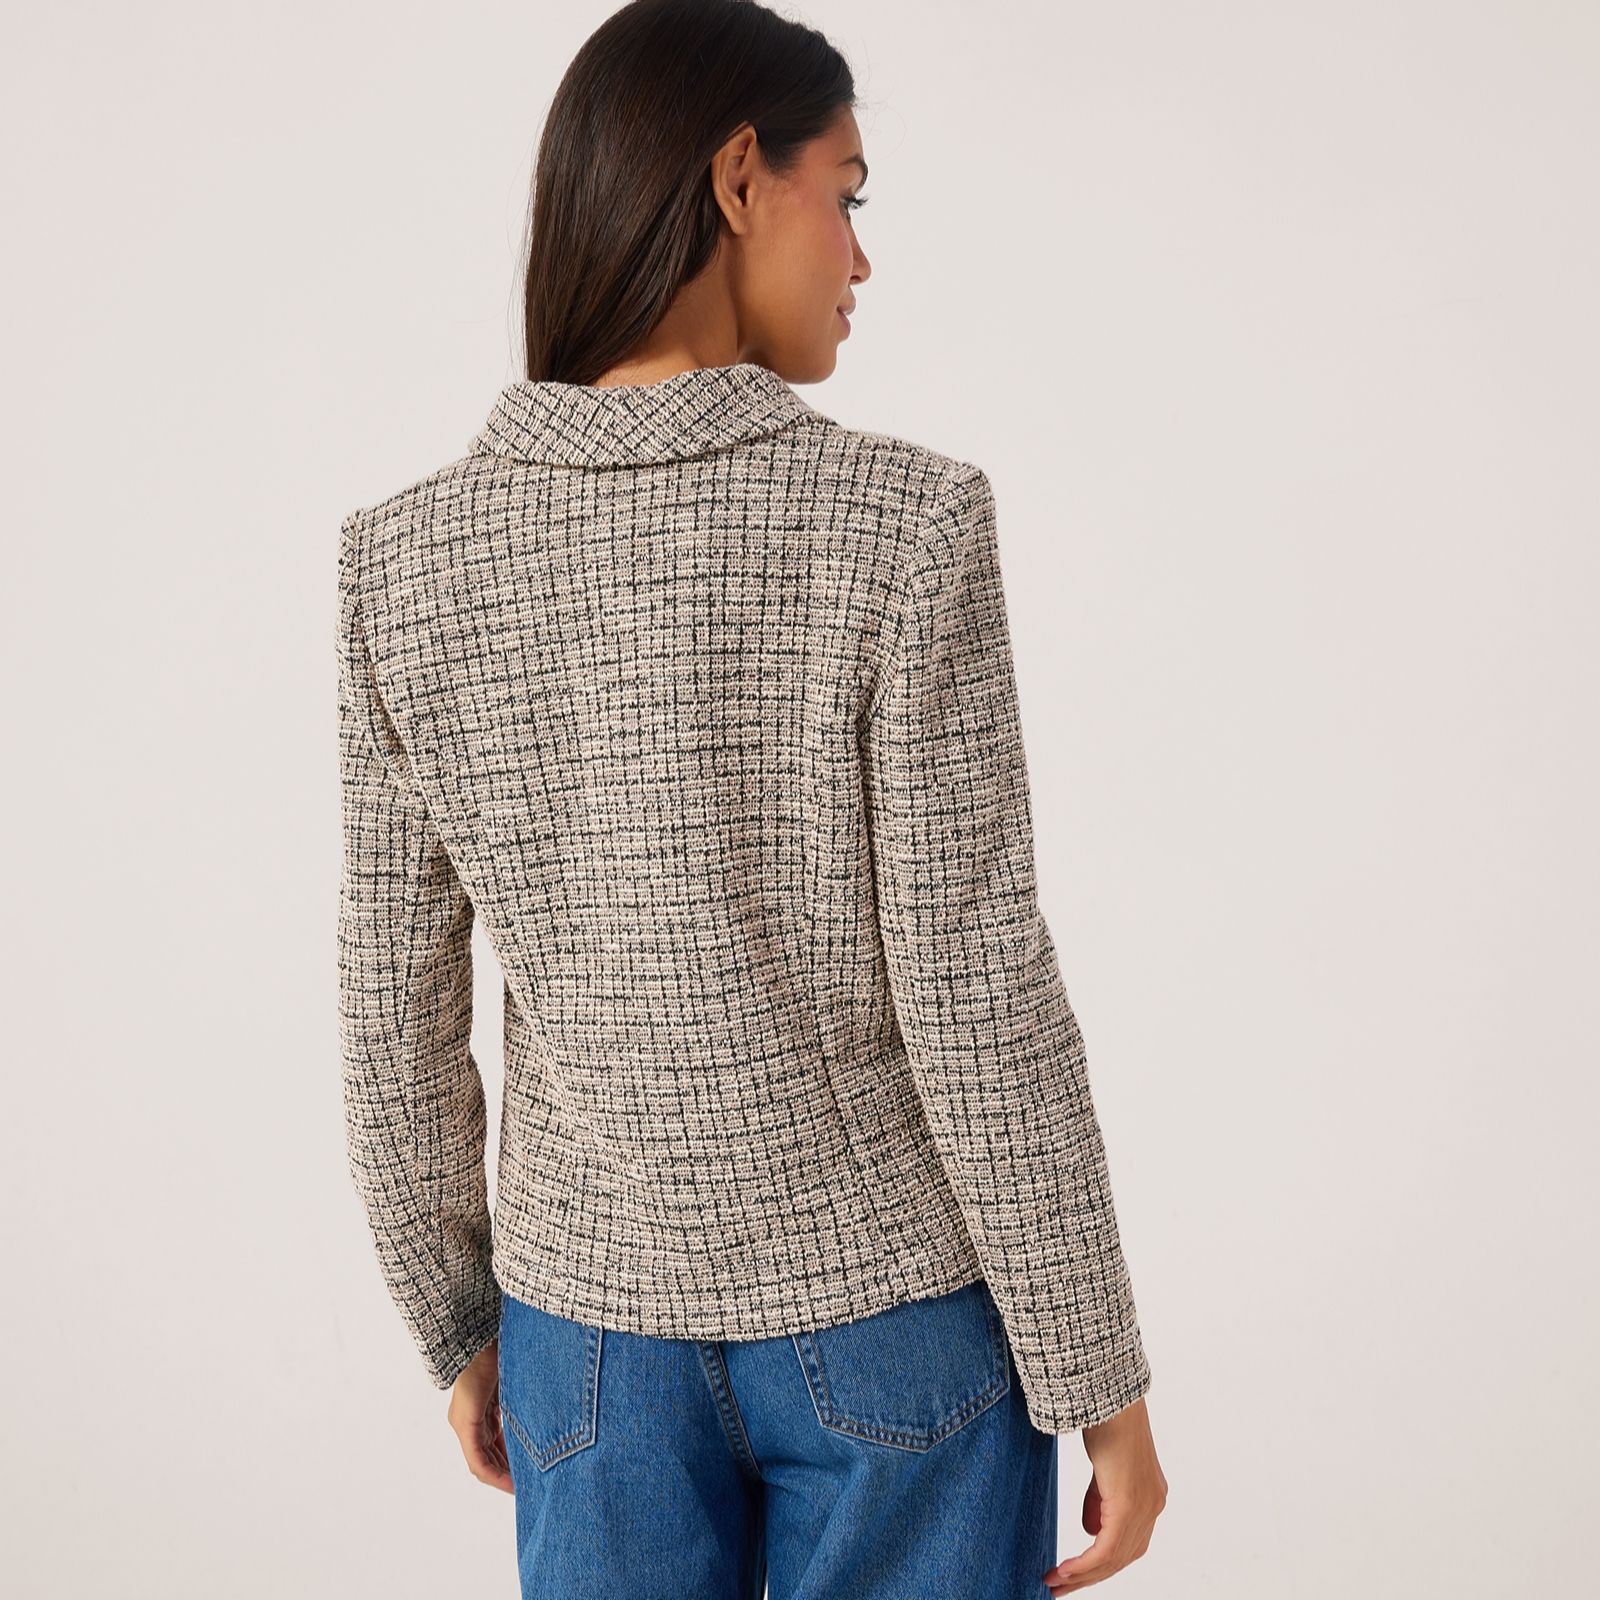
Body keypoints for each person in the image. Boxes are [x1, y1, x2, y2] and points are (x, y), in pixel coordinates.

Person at [335, 1, 1168, 1594]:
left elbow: (392, 1008)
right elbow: (976, 986)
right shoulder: (904, 524)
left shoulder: (407, 560)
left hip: (585, 1340)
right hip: (899, 1325)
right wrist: (1098, 1376)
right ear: (738, 178)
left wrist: (456, 1318)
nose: (862, 258)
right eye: (844, 195)